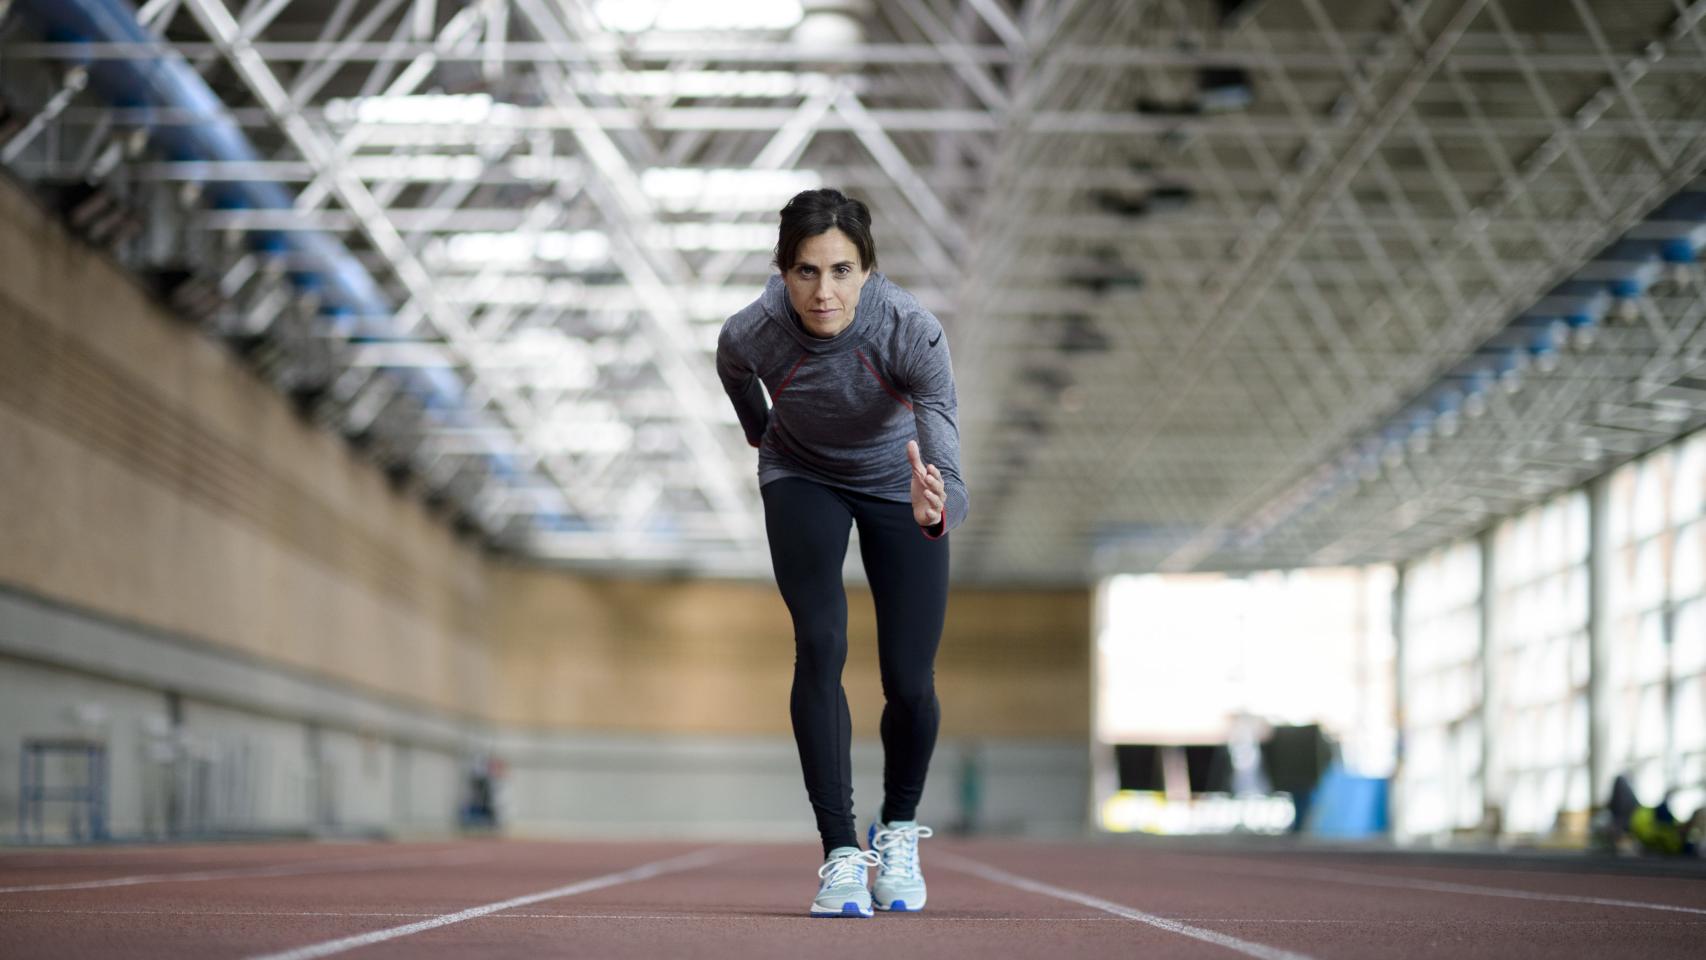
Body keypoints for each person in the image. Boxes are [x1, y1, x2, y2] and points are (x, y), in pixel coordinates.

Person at [716, 188, 969, 918]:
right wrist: (761, 432)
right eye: (805, 272)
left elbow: (946, 446)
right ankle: (839, 851)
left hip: (899, 483)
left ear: (868, 271)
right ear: (783, 271)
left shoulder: (910, 333)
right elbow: (735, 373)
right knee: (821, 643)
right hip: (803, 477)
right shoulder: (754, 332)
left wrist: (939, 503)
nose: (823, 292)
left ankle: (895, 829)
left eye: (841, 271)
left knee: (910, 679)